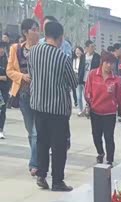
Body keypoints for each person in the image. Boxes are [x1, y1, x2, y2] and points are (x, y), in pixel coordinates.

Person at [27, 18, 76, 191]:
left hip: (38, 105)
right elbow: (73, 82)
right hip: (58, 109)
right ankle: (57, 181)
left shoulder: (32, 52)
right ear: (60, 37)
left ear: (46, 34)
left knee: (41, 141)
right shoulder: (62, 57)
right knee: (58, 146)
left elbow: (31, 73)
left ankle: (41, 175)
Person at [7, 17, 41, 173]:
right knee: (30, 130)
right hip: (23, 94)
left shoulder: (42, 48)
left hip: (40, 95)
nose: (36, 32)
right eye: (33, 29)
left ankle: (34, 164)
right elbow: (9, 71)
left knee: (36, 131)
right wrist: (22, 76)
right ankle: (36, 155)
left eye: (37, 29)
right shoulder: (16, 49)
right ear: (25, 32)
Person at [84, 50, 121, 165]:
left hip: (109, 113)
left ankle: (110, 159)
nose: (109, 65)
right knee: (96, 135)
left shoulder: (116, 79)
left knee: (109, 137)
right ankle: (100, 152)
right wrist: (90, 101)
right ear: (102, 62)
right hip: (95, 111)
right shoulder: (93, 74)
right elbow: (87, 90)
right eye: (107, 62)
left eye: (112, 63)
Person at [72, 45, 85, 112]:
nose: (77, 52)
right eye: (76, 51)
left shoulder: (84, 59)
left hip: (83, 79)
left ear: (82, 52)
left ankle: (88, 110)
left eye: (79, 51)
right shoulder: (73, 59)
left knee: (86, 96)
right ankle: (81, 110)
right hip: (76, 78)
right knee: (79, 96)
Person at [0, 41, 8, 140]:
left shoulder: (7, 60)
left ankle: (1, 129)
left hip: (4, 89)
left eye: (3, 48)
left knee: (2, 109)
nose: (2, 50)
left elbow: (8, 76)